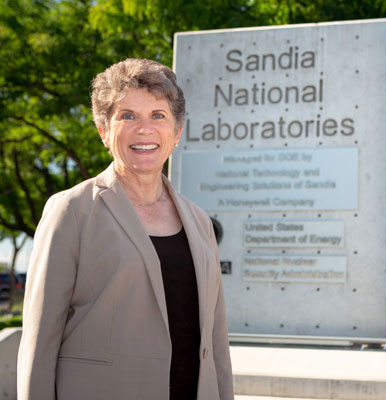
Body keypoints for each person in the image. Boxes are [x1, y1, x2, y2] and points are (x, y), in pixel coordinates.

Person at [17, 58, 234, 400]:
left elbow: (217, 343)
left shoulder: (199, 221)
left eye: (158, 115)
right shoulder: (71, 211)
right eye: (127, 115)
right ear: (104, 131)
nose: (144, 129)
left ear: (176, 132)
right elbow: (39, 341)